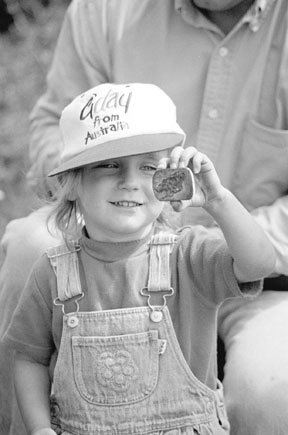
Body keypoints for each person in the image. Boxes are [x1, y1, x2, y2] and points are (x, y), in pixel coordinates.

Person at [1, 1, 288, 434]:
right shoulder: (54, 270)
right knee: (28, 241)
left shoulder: (192, 254)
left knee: (272, 391)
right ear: (74, 182)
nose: (131, 182)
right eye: (109, 165)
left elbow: (258, 264)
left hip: (270, 283)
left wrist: (218, 201)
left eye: (150, 167)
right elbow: (28, 353)